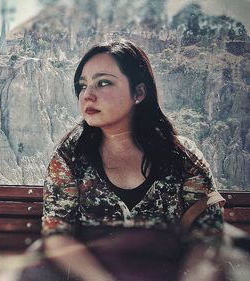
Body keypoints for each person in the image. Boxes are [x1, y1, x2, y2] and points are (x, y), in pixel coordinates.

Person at [38, 40, 225, 280]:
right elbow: (57, 235)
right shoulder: (70, 157)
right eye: (82, 86)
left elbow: (207, 237)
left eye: (103, 82)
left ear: (139, 92)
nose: (88, 95)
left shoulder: (182, 156)